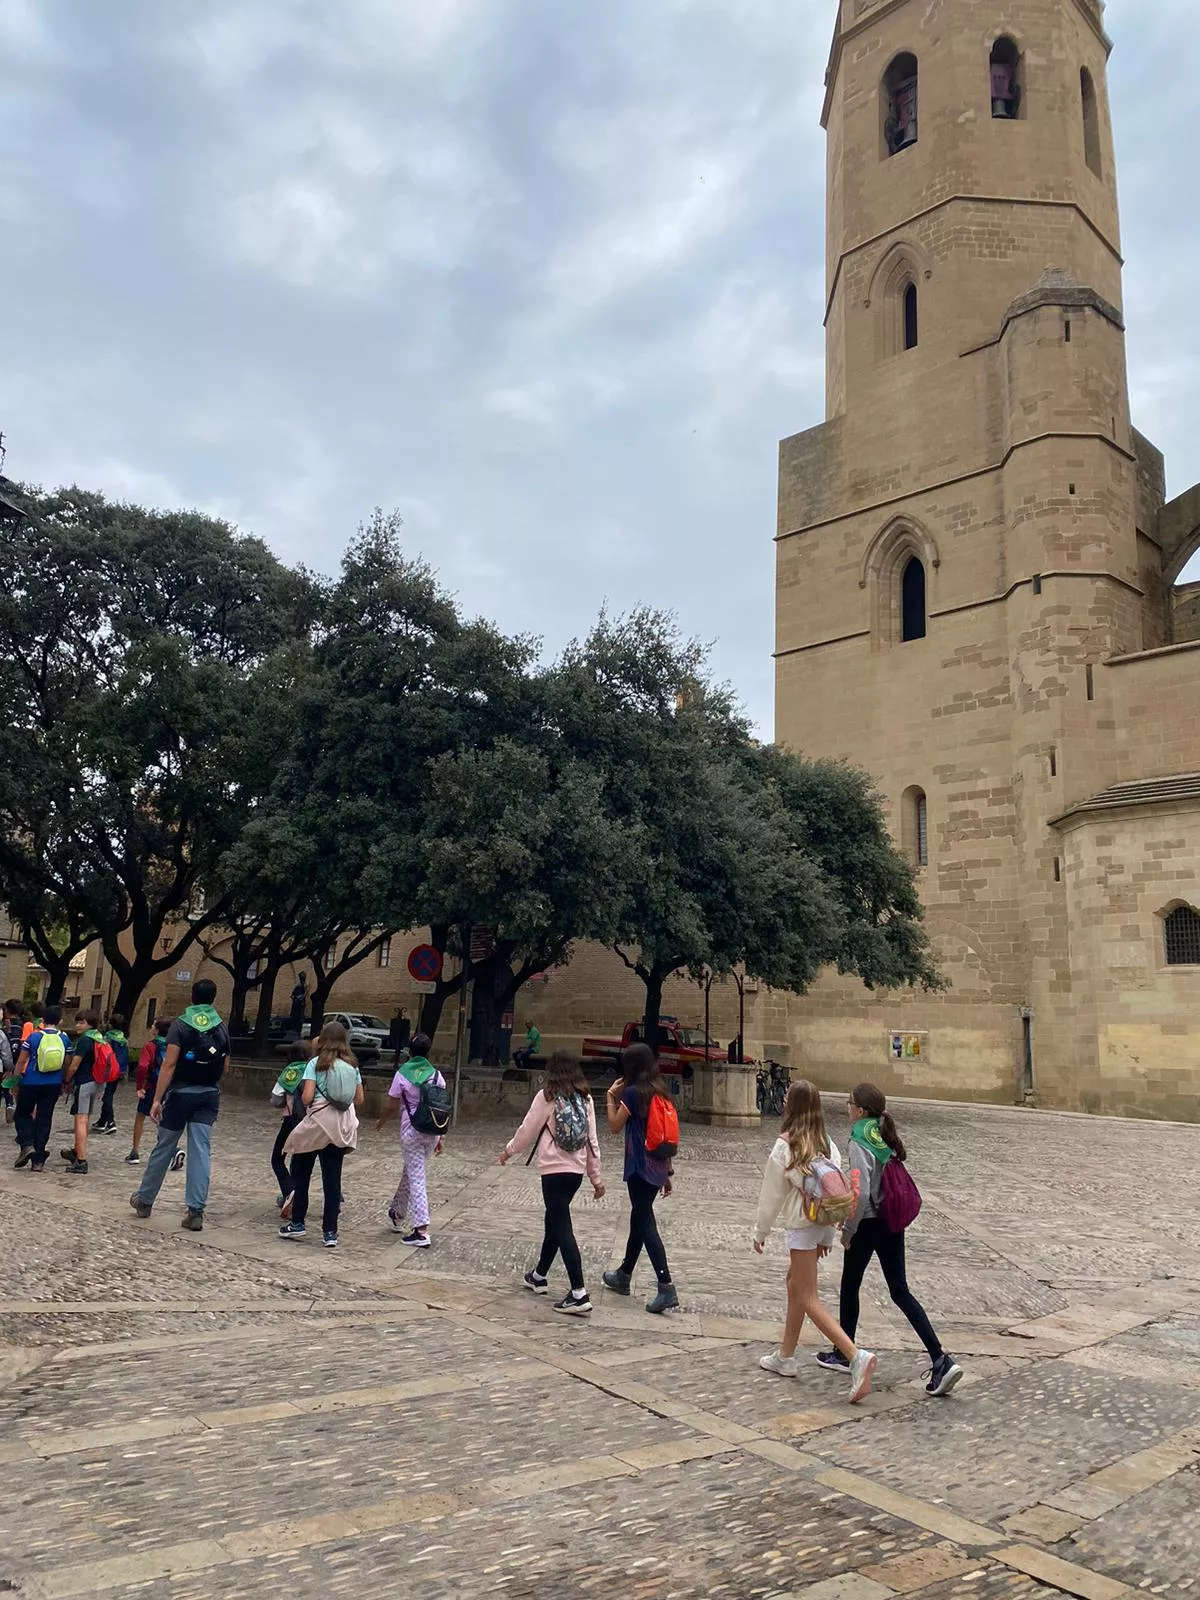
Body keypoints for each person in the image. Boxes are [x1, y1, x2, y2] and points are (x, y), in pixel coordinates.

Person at [816, 1084, 963, 1398]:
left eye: (849, 1102)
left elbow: (860, 1193)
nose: (847, 1107)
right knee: (900, 1291)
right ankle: (940, 1358)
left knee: (850, 1285)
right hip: (892, 1221)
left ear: (860, 1110)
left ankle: (844, 1352)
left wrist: (849, 1230)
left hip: (869, 1222)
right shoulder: (882, 1133)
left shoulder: (859, 1138)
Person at [752, 1079, 877, 1404]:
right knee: (794, 1282)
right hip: (822, 1222)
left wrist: (760, 1232)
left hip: (802, 1223)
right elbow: (833, 1188)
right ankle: (785, 1356)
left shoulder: (786, 1145)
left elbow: (771, 1195)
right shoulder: (827, 1142)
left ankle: (855, 1356)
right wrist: (829, 1233)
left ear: (790, 1105)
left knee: (808, 1297)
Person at [499, 1050, 605, 1315]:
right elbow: (592, 1140)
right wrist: (595, 1177)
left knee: (562, 1225)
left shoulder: (547, 1096)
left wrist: (509, 1151)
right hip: (575, 1172)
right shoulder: (586, 1098)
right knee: (555, 1220)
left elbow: (527, 1130)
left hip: (553, 1171)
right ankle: (539, 1275)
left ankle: (578, 1292)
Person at [129, 979, 230, 1231]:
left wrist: (157, 1099)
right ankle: (195, 1210)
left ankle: (145, 1199)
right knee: (200, 1149)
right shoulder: (222, 1026)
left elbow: (169, 1063)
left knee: (164, 1146)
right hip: (208, 1094)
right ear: (213, 997)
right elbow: (226, 1066)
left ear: (192, 996)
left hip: (180, 1094)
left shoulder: (180, 1024)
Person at [602, 1043, 679, 1314]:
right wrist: (667, 1172)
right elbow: (664, 1131)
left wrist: (610, 1096)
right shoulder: (661, 1090)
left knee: (645, 1222)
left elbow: (614, 1125)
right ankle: (624, 1274)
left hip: (639, 1167)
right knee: (639, 1217)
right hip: (657, 1165)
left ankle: (666, 1285)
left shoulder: (633, 1093)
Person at [277, 1022, 362, 1248]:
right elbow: (359, 1098)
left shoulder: (315, 1063)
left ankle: (298, 1223)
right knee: (332, 1180)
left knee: (301, 1172)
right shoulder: (352, 1066)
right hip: (339, 1127)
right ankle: (330, 1232)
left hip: (317, 1125)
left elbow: (306, 1097)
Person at [379, 1032, 445, 1248]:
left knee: (416, 1178)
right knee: (411, 1171)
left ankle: (421, 1230)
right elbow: (441, 1106)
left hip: (411, 1130)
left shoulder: (402, 1074)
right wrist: (441, 1136)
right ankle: (397, 1212)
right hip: (432, 1131)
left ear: (410, 1051)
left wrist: (382, 1120)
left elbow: (392, 1104)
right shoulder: (436, 1075)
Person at [12, 1004, 68, 1171]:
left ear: (42, 1020)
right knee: (44, 1118)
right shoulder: (64, 1038)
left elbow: (22, 1060)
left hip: (31, 1081)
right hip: (53, 1083)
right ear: (60, 1021)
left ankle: (27, 1144)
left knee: (22, 1113)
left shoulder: (34, 1037)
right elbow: (67, 1062)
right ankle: (38, 1161)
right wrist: (65, 1080)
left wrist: (15, 1079)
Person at [61, 1009, 108, 1173]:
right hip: (97, 1082)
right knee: (86, 1118)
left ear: (90, 1024)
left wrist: (66, 1079)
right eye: (78, 1022)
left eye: (82, 1023)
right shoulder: (99, 1038)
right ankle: (77, 1150)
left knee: (80, 1119)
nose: (78, 1026)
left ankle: (81, 1160)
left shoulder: (85, 1040)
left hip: (84, 1083)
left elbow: (74, 1065)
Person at [125, 1017, 170, 1165]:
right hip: (169, 1086)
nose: (151, 1027)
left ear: (156, 1030)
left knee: (140, 1117)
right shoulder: (173, 1046)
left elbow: (143, 1066)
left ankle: (135, 1151)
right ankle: (169, 1150)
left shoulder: (150, 1046)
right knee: (164, 1119)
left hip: (152, 1085)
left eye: (153, 1025)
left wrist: (140, 1087)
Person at [269, 1045, 309, 1208]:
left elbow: (276, 1099)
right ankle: (335, 1195)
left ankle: (289, 1191)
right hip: (314, 1121)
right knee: (306, 1161)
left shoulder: (291, 1071)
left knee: (277, 1159)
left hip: (292, 1121)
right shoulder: (314, 1069)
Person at [94, 1013, 130, 1135]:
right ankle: (102, 1121)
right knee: (109, 1094)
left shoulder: (107, 1038)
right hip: (120, 1070)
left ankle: (110, 1122)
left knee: (107, 1096)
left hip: (109, 1070)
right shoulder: (123, 1039)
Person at [2, 999, 24, 1126]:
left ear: (6, 1010)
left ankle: (10, 1104)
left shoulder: (6, 1027)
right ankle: (14, 1106)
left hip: (7, 1060)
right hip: (21, 1061)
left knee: (6, 1084)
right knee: (15, 1087)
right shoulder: (23, 1026)